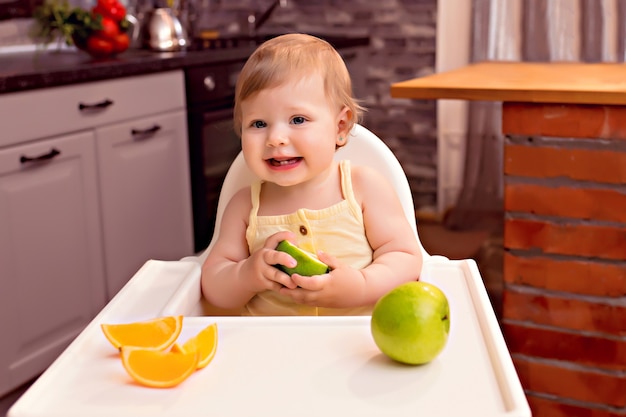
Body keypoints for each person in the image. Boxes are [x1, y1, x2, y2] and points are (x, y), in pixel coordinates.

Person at [201, 33, 423, 315]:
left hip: (357, 346)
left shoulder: (364, 189)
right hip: (269, 347)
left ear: (340, 127)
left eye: (298, 120)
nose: (276, 138)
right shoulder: (244, 206)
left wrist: (361, 285)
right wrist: (247, 274)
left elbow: (405, 257)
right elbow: (213, 284)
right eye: (258, 123)